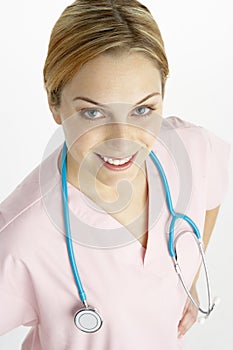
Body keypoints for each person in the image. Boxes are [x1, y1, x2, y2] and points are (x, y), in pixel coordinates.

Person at [0, 0, 230, 349]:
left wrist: (190, 277)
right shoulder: (21, 238)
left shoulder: (193, 150)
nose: (122, 141)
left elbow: (211, 190)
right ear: (54, 103)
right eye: (93, 113)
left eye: (142, 109)